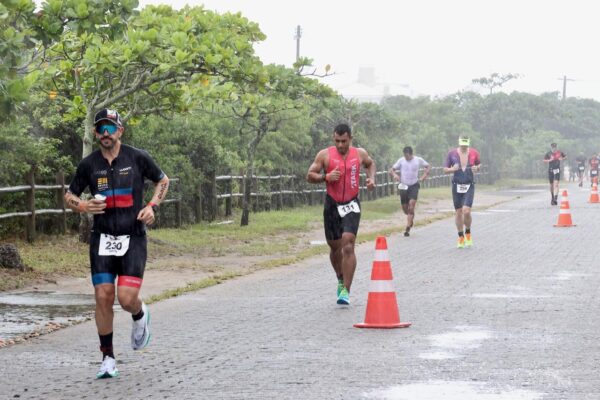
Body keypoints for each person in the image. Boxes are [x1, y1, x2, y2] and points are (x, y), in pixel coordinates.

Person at [64, 108, 169, 379]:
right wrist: (84, 205)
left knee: (125, 299)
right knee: (103, 296)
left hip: (133, 236)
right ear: (95, 133)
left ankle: (139, 313)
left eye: (110, 128)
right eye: (100, 129)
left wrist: (152, 206)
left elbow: (163, 181)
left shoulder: (137, 157)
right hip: (101, 238)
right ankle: (108, 358)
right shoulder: (89, 165)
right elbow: (69, 195)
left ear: (120, 130)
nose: (105, 134)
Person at [306, 123, 375, 305]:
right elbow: (310, 174)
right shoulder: (325, 155)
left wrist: (371, 178)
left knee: (348, 246)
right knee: (335, 248)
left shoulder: (359, 153)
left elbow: (370, 164)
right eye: (337, 141)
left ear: (350, 138)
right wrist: (325, 177)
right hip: (332, 205)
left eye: (344, 141)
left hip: (352, 203)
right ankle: (339, 277)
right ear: (333, 138)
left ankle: (345, 290)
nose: (340, 145)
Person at [443, 136, 481, 249]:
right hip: (456, 186)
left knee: (466, 211)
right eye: (462, 145)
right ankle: (460, 236)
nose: (464, 147)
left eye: (466, 145)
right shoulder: (452, 154)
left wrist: (477, 168)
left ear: (468, 144)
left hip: (469, 185)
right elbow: (444, 169)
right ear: (459, 144)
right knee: (459, 212)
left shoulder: (474, 153)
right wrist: (452, 169)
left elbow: (479, 164)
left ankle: (468, 233)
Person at [389, 146, 431, 237]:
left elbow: (428, 166)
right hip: (403, 185)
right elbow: (391, 170)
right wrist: (394, 175)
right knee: (405, 209)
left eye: (407, 156)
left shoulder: (418, 160)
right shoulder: (401, 160)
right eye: (404, 156)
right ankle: (410, 217)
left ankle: (407, 228)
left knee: (411, 206)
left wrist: (424, 176)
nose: (406, 158)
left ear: (411, 154)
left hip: (414, 185)